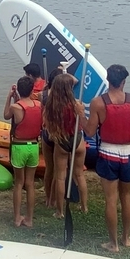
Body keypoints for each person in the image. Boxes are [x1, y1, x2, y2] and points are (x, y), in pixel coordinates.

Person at [83, 64, 130, 252]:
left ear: (107, 80)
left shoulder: (97, 103)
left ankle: (113, 244)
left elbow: (89, 131)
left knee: (111, 199)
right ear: (124, 81)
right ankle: (126, 238)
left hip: (108, 154)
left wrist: (80, 114)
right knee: (126, 196)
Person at [43, 73, 89, 218]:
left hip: (62, 140)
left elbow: (48, 126)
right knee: (79, 174)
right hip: (77, 139)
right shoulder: (77, 105)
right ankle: (84, 207)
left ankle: (60, 211)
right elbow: (83, 123)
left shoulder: (52, 106)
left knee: (60, 177)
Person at [4, 76, 43, 227]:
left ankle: (17, 218)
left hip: (19, 147)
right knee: (30, 183)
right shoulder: (39, 105)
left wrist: (9, 97)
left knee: (19, 183)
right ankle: (29, 219)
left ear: (19, 90)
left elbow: (6, 115)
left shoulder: (16, 107)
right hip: (33, 146)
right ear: (32, 89)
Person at [41, 68, 64, 208]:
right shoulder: (64, 97)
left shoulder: (43, 95)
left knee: (49, 168)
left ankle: (48, 198)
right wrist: (64, 70)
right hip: (59, 134)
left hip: (46, 132)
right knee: (58, 171)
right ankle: (54, 199)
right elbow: (74, 80)